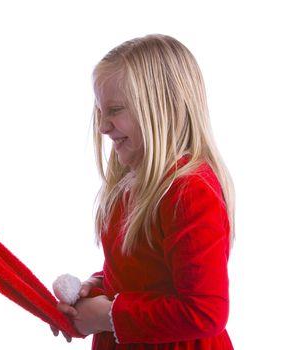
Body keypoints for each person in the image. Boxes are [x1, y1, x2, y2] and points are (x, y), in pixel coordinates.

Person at [55, 34, 235, 349]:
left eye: (114, 110)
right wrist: (96, 287)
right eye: (100, 111)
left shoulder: (189, 191)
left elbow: (206, 311)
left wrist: (109, 315)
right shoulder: (136, 183)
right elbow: (143, 273)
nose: (102, 126)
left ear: (160, 108)